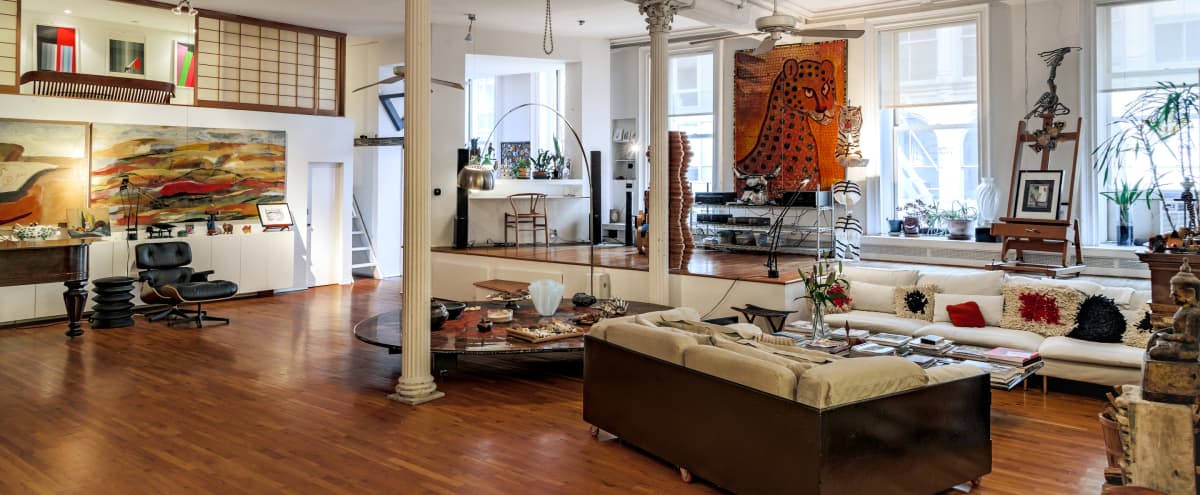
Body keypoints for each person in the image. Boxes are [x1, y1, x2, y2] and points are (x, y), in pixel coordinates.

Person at [1148, 260, 1200, 361]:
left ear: (1189, 293)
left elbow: (1190, 338)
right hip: (1178, 345)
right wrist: (1161, 333)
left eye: (1175, 294)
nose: (1170, 296)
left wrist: (1168, 336)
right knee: (1156, 342)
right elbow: (1179, 330)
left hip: (1188, 351)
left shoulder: (1194, 313)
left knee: (1153, 351)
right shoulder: (1183, 309)